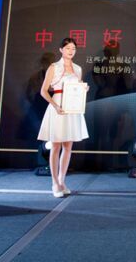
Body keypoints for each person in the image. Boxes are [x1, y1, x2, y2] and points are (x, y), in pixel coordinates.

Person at [37, 38, 89, 198]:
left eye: (73, 48)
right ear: (61, 50)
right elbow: (44, 91)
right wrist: (55, 105)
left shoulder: (78, 68)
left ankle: (62, 181)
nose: (71, 51)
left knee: (68, 146)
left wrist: (84, 89)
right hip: (58, 107)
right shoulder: (54, 67)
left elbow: (77, 89)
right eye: (67, 48)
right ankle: (54, 182)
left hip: (72, 109)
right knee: (56, 146)